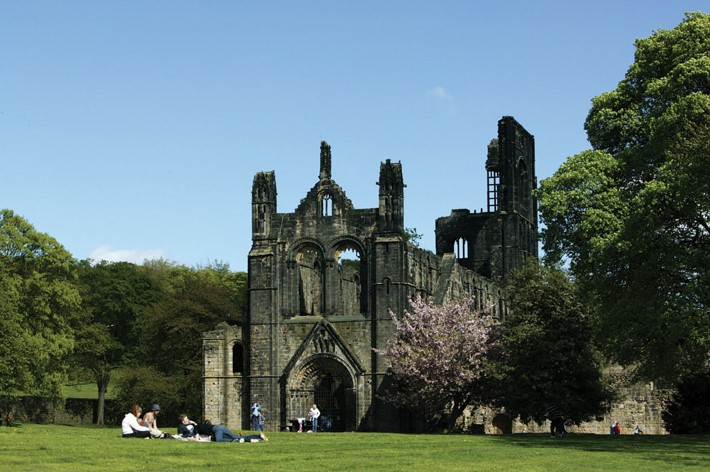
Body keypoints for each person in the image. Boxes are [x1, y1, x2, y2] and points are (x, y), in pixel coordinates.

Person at [198, 418, 268, 443]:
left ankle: (233, 441)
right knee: (236, 436)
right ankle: (259, 436)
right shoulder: (209, 426)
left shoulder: (202, 428)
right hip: (222, 427)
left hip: (218, 429)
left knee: (219, 440)